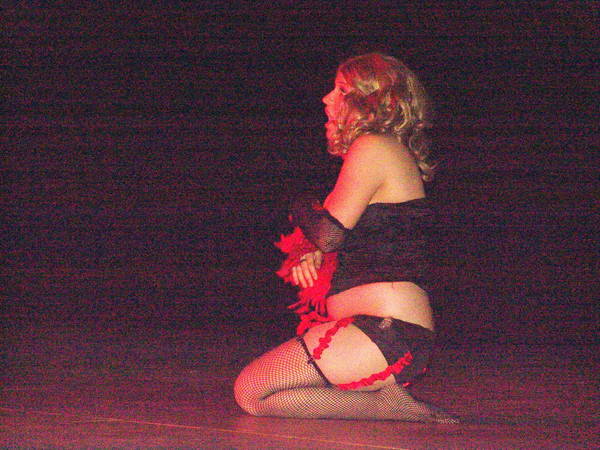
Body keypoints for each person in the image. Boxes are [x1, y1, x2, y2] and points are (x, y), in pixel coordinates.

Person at [234, 53, 458, 423]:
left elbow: (328, 234)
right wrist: (310, 250)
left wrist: (299, 203)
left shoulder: (373, 146)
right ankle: (385, 403)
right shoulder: (382, 151)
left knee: (251, 392)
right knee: (260, 395)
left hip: (385, 331)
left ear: (370, 100)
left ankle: (387, 406)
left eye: (340, 90)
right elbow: (335, 236)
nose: (326, 99)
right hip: (382, 334)